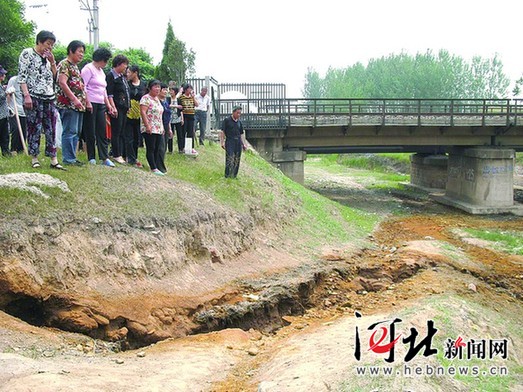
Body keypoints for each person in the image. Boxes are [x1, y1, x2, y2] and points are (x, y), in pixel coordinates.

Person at [18, 30, 64, 169]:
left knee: (51, 128)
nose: (49, 47)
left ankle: (53, 159)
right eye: (48, 44)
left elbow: (55, 79)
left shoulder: (49, 58)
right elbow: (22, 76)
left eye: (52, 45)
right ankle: (34, 158)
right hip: (33, 95)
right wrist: (26, 95)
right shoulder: (27, 53)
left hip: (49, 97)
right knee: (34, 127)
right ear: (39, 41)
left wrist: (53, 62)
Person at [56, 40, 91, 166]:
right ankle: (68, 159)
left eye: (83, 52)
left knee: (76, 132)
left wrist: (85, 101)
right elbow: (62, 83)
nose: (81, 54)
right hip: (68, 104)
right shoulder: (64, 64)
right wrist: (74, 99)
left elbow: (81, 86)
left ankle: (72, 157)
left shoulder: (75, 67)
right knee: (69, 131)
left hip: (78, 106)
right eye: (79, 51)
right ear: (71, 51)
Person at [81, 47, 117, 166]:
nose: (106, 64)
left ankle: (104, 157)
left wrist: (109, 105)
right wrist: (87, 102)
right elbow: (83, 86)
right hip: (91, 103)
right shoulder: (88, 69)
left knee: (102, 131)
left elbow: (103, 90)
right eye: (105, 61)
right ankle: (91, 156)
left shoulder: (101, 72)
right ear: (100, 59)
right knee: (90, 130)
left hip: (101, 103)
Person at [106, 54, 129, 164]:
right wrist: (112, 107)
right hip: (116, 107)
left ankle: (121, 153)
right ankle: (116, 154)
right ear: (118, 64)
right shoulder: (111, 76)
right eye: (125, 65)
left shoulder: (122, 77)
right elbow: (109, 93)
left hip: (124, 108)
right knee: (116, 131)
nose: (126, 67)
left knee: (121, 131)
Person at [139, 80, 165, 175]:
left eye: (159, 87)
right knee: (151, 147)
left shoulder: (157, 99)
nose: (158, 89)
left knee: (157, 148)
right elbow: (143, 112)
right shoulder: (145, 98)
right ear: (150, 88)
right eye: (155, 87)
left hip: (158, 127)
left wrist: (162, 128)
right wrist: (147, 125)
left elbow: (159, 114)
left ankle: (156, 166)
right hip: (149, 127)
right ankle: (153, 167)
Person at [125, 65, 145, 167]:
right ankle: (131, 159)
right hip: (128, 114)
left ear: (135, 73)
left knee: (137, 138)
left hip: (140, 115)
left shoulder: (144, 85)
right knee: (129, 137)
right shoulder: (126, 84)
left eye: (129, 72)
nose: (127, 74)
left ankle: (134, 156)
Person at [220, 105, 247, 178]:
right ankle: (227, 175)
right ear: (233, 112)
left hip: (238, 142)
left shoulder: (239, 122)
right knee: (230, 157)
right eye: (238, 113)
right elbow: (222, 131)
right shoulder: (227, 120)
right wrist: (222, 142)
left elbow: (241, 133)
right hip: (230, 141)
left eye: (240, 113)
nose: (239, 115)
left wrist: (244, 144)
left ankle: (234, 175)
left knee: (237, 159)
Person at [6, 75, 27, 154]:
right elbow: (8, 93)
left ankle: (21, 149)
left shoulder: (28, 80)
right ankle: (13, 149)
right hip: (14, 109)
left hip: (24, 110)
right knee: (15, 129)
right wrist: (7, 107)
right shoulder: (13, 80)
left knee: (23, 130)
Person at [177, 83, 198, 155]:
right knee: (183, 132)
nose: (191, 90)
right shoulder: (181, 97)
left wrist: (193, 97)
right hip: (184, 116)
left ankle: (191, 147)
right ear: (186, 89)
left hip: (191, 115)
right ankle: (182, 147)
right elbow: (180, 107)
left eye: (191, 89)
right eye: (189, 89)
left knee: (190, 132)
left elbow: (197, 104)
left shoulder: (192, 97)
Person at [157, 83, 172, 173]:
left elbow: (168, 116)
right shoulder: (157, 101)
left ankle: (161, 164)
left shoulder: (166, 101)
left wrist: (169, 129)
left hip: (166, 125)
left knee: (164, 146)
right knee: (160, 146)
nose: (166, 92)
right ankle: (160, 167)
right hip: (159, 124)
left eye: (167, 90)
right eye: (164, 89)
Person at [169, 86, 184, 153]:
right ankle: (170, 149)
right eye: (170, 90)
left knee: (180, 134)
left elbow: (181, 110)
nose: (170, 92)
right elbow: (167, 106)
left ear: (175, 92)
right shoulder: (168, 99)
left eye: (172, 91)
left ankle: (181, 149)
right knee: (170, 134)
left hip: (178, 118)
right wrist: (176, 106)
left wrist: (182, 119)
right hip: (170, 119)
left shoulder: (178, 100)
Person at [0, 65, 10, 156]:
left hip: (3, 114)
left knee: (5, 135)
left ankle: (6, 152)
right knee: (2, 134)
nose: (4, 76)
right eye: (2, 74)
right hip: (1, 114)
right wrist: (6, 93)